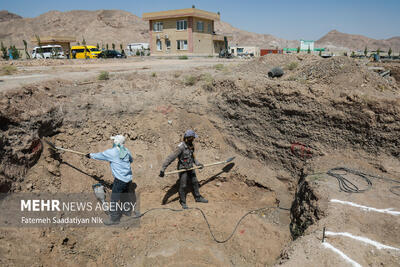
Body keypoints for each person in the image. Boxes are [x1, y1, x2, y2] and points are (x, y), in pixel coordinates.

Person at [86, 135, 135, 225]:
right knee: (125, 196)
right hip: (128, 179)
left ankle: (114, 219)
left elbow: (100, 155)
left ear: (116, 142)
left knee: (114, 200)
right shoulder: (126, 150)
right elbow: (131, 160)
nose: (112, 142)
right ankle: (127, 212)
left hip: (120, 180)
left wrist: (90, 155)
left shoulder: (112, 152)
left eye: (113, 141)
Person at [159, 130, 208, 209]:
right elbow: (170, 158)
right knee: (183, 185)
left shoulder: (191, 145)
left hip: (191, 167)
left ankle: (198, 197)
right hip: (182, 169)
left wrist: (198, 164)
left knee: (195, 182)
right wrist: (163, 169)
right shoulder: (181, 147)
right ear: (188, 138)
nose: (194, 139)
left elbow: (193, 157)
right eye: (193, 138)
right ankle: (183, 201)